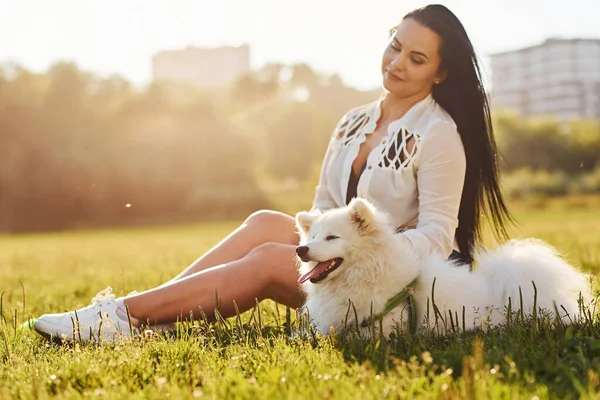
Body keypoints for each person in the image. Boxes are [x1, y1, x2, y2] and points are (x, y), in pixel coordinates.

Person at [33, 4, 513, 343]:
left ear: (440, 74)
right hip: (339, 267)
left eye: (417, 58)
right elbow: (324, 205)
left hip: (389, 287)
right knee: (266, 221)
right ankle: (150, 316)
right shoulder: (353, 121)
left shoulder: (439, 133)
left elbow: (437, 236)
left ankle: (119, 316)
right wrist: (325, 242)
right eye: (395, 46)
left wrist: (370, 249)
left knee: (267, 258)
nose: (397, 63)